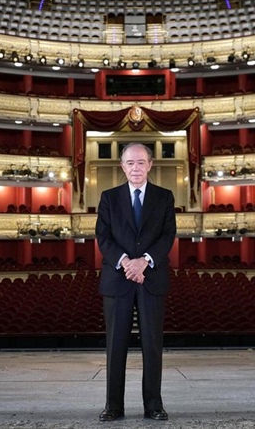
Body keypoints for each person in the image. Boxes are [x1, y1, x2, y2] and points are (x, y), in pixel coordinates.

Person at [95, 143, 176, 422]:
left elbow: (167, 236)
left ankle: (153, 405)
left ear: (150, 165)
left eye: (141, 162)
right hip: (118, 279)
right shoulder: (108, 197)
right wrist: (127, 263)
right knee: (115, 346)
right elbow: (103, 237)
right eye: (130, 163)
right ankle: (113, 406)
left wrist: (144, 261)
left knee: (152, 346)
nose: (136, 168)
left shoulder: (164, 197)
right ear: (122, 166)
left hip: (151, 278)